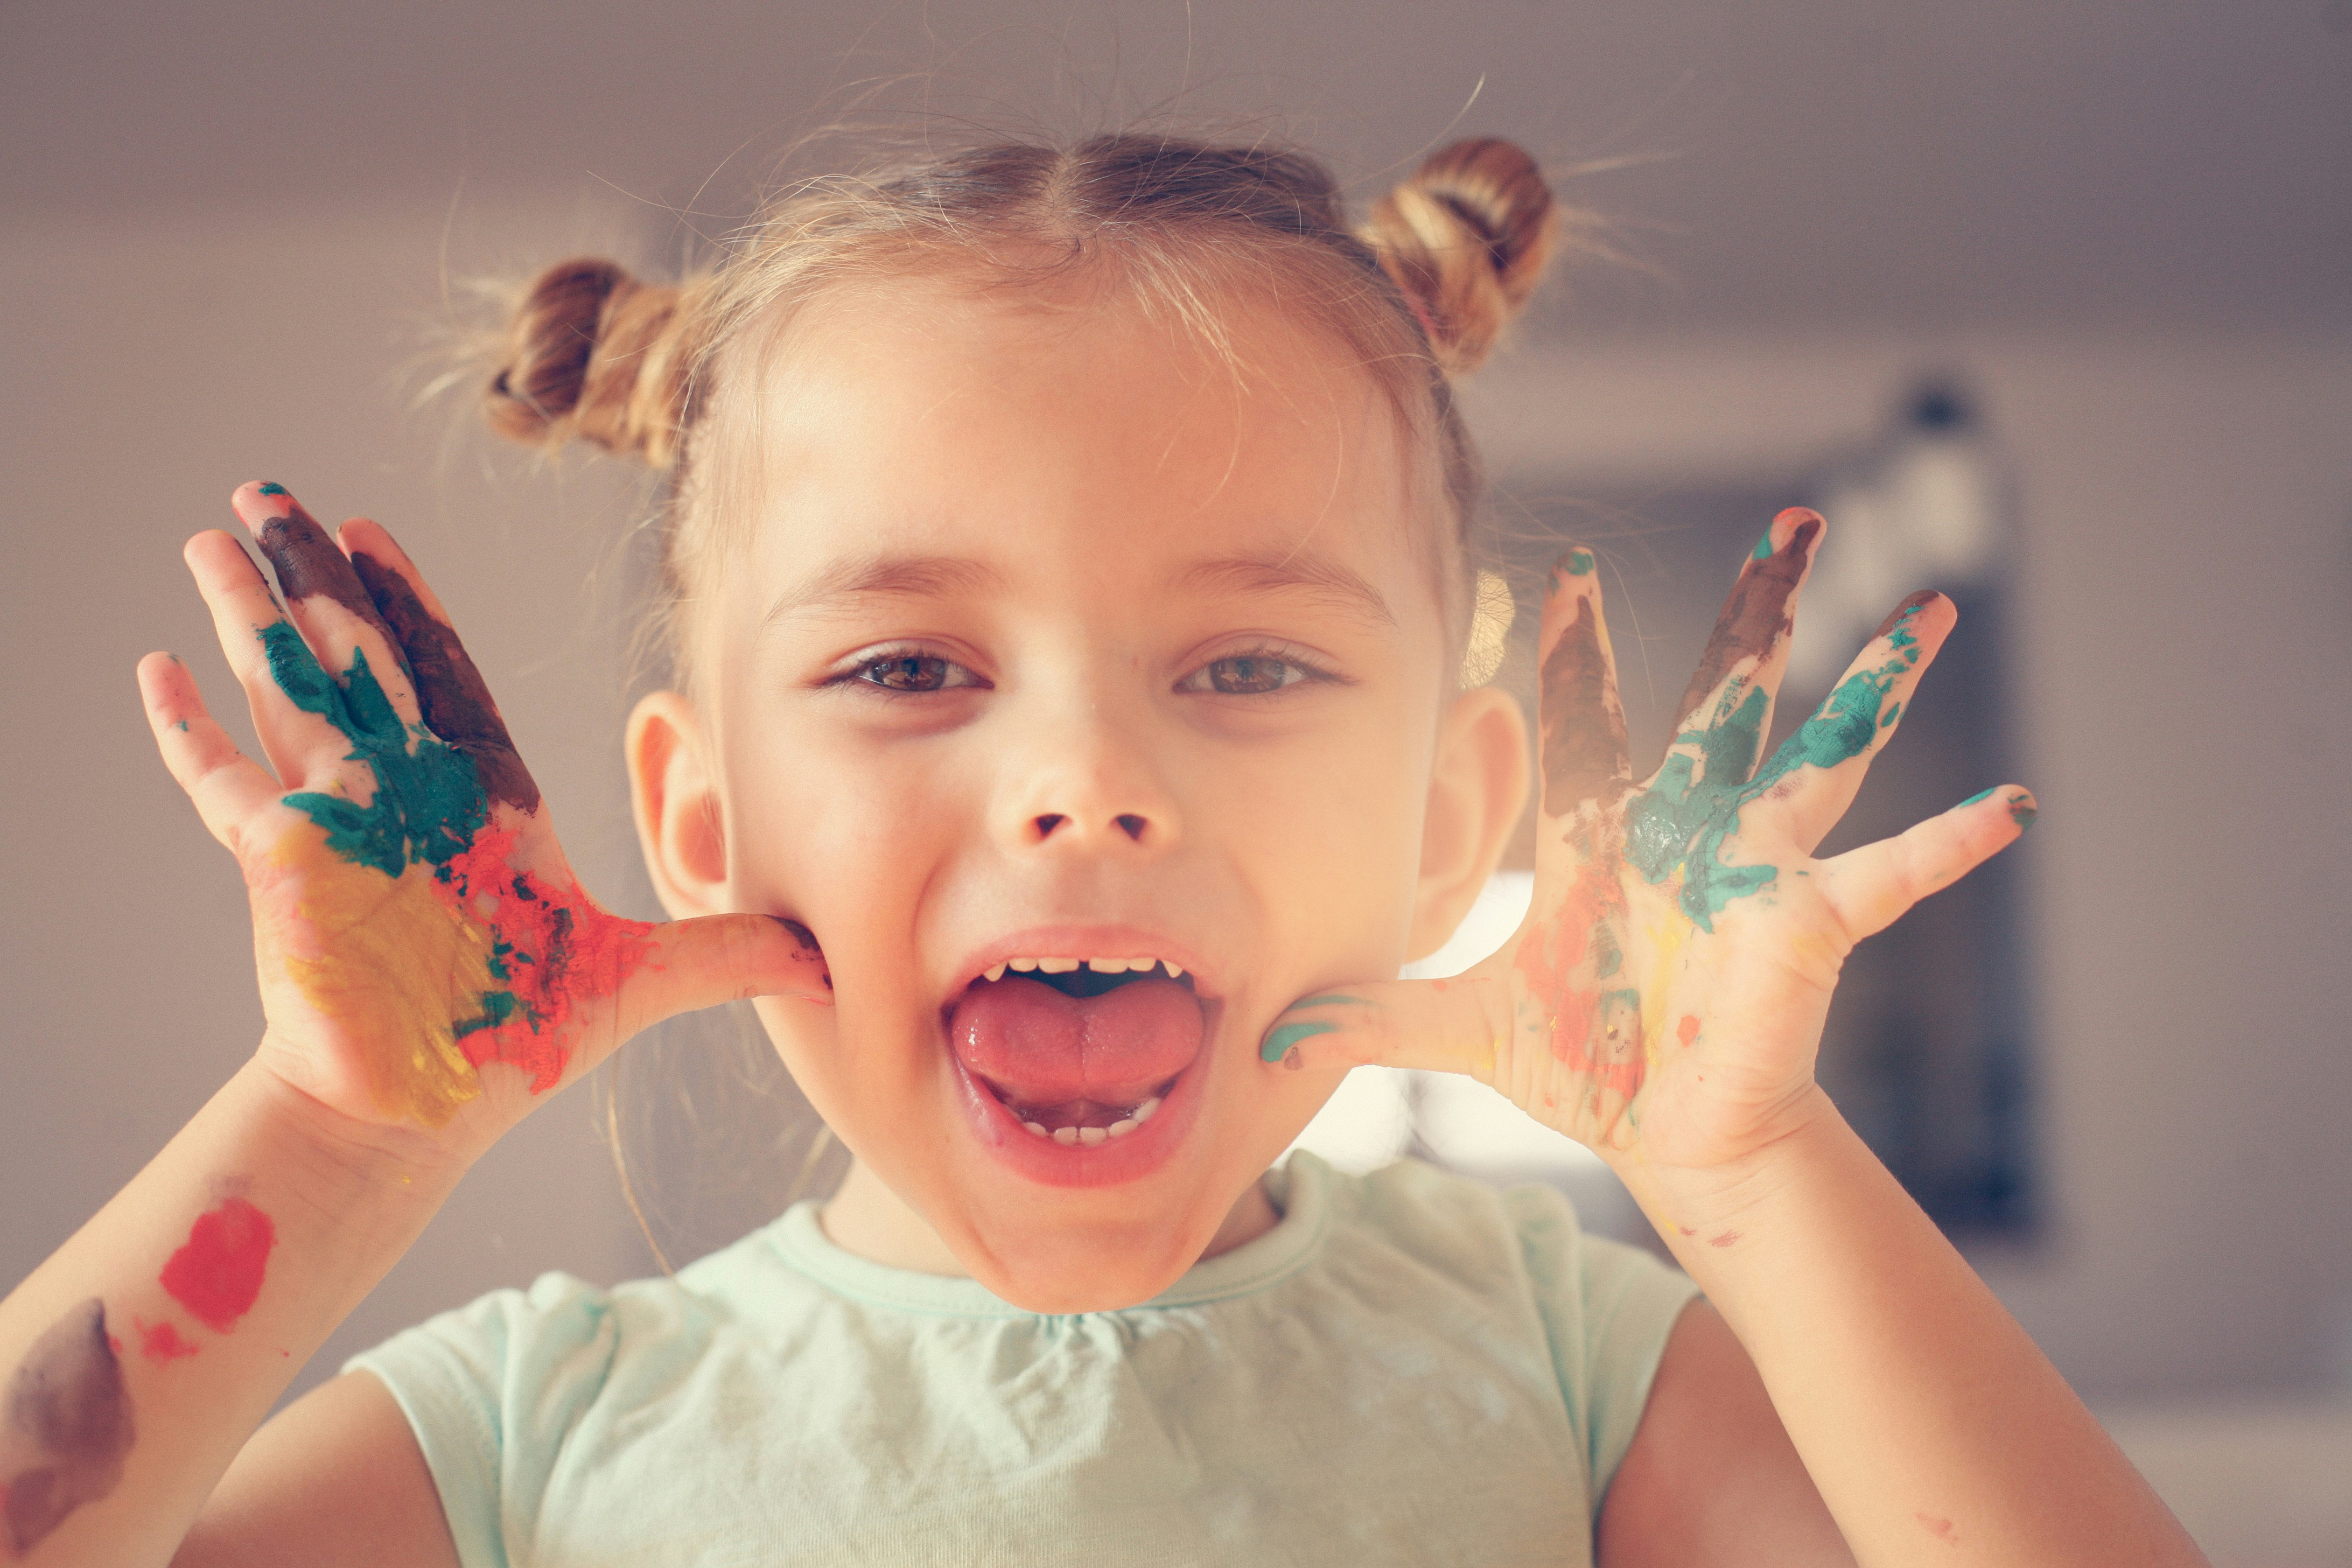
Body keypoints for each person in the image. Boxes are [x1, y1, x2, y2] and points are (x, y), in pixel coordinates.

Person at [0, 131, 2203, 1567]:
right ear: (700, 821)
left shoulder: (1571, 1363)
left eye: (1247, 668)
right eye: (903, 668)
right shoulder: (524, 1438)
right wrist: (333, 1134)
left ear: (1453, 828)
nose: (1084, 781)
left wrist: (1751, 1164)